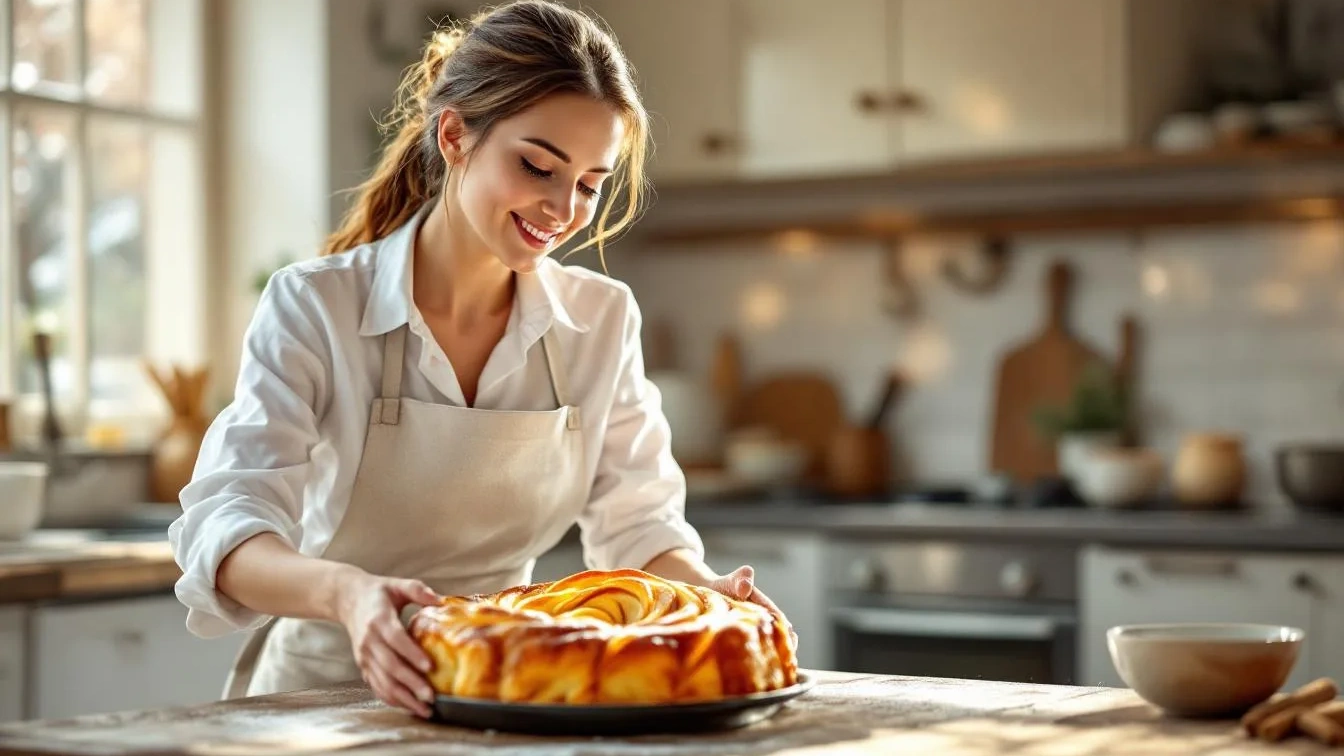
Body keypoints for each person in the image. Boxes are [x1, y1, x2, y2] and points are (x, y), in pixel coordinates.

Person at [168, 0, 790, 719]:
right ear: (455, 135)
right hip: (318, 700)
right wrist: (348, 592)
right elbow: (228, 527)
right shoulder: (317, 306)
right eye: (538, 166)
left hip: (502, 693)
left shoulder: (599, 319)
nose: (563, 208)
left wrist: (704, 593)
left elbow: (639, 526)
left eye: (590, 183)